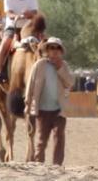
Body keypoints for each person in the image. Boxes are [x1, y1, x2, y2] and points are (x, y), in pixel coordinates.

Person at [24, 37, 74, 165]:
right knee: (41, 140)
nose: (55, 51)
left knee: (59, 138)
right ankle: (38, 165)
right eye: (52, 48)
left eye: (57, 48)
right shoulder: (39, 65)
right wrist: (28, 103)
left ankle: (57, 166)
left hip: (59, 110)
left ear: (61, 50)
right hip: (42, 110)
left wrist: (60, 69)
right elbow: (31, 85)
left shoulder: (64, 65)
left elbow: (69, 83)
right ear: (47, 50)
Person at [0, 0, 39, 84]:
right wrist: (18, 16)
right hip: (13, 26)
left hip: (28, 26)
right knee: (5, 44)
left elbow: (35, 12)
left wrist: (29, 14)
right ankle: (0, 72)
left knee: (43, 42)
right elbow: (8, 13)